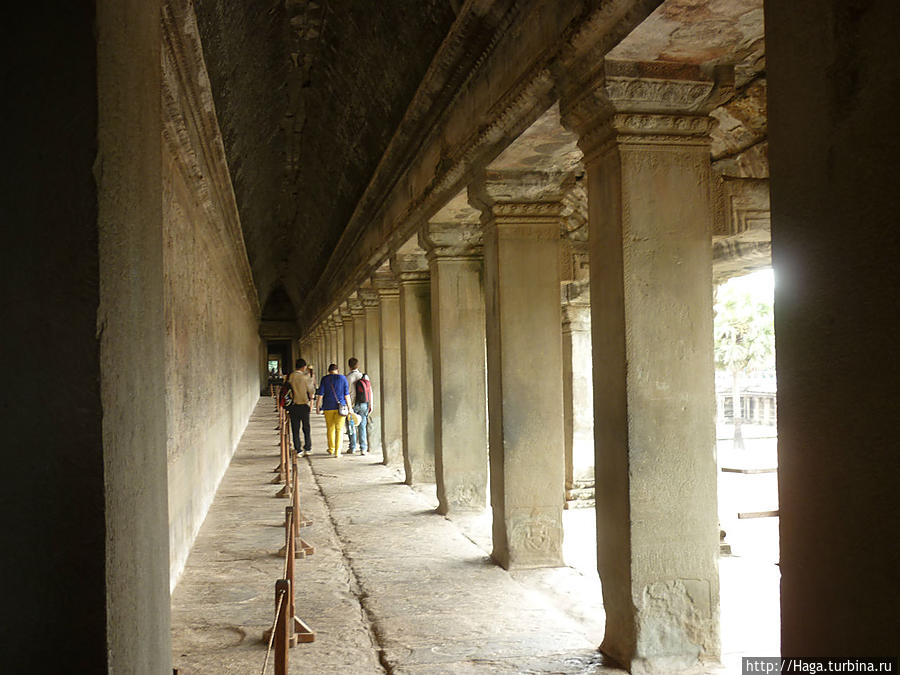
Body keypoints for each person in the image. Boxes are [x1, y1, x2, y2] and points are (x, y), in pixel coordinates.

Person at [315, 363, 351, 457]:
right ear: (337, 370)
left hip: (328, 407)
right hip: (341, 407)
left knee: (330, 428)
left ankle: (331, 449)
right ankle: (337, 452)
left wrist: (317, 406)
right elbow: (346, 395)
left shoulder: (325, 379)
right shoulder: (343, 378)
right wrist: (350, 408)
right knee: (339, 429)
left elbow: (321, 394)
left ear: (328, 371)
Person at [286, 358, 316, 456]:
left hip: (293, 405)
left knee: (295, 428)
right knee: (306, 427)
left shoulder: (290, 376)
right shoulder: (305, 377)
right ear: (304, 367)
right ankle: (307, 448)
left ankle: (298, 449)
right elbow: (311, 391)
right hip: (304, 405)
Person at [345, 358, 363, 454]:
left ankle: (352, 447)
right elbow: (370, 392)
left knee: (351, 425)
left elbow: (346, 392)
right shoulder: (363, 376)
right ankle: (363, 448)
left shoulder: (348, 377)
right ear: (358, 365)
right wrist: (370, 405)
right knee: (362, 425)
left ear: (349, 366)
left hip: (352, 404)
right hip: (363, 403)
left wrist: (347, 406)